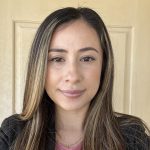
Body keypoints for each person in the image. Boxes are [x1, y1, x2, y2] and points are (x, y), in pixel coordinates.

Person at [0, 7, 149, 150]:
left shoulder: (132, 136)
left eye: (87, 59)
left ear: (104, 65)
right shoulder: (13, 133)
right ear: (39, 67)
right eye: (57, 59)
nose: (73, 77)